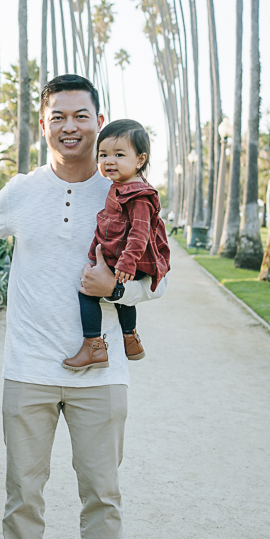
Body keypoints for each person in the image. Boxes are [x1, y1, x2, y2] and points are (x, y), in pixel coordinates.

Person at [0, 74, 167, 539]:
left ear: (100, 121)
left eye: (81, 115)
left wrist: (118, 287)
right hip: (29, 368)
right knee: (23, 490)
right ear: (43, 124)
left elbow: (156, 279)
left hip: (103, 376)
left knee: (103, 493)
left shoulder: (127, 190)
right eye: (58, 117)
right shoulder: (22, 189)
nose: (69, 126)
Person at [63, 119, 170, 371]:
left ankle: (93, 345)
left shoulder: (138, 195)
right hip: (124, 257)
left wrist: (127, 261)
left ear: (140, 160)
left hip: (130, 259)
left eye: (119, 154)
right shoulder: (121, 186)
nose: (109, 161)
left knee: (87, 291)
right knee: (123, 299)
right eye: (103, 154)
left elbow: (140, 232)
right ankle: (130, 339)